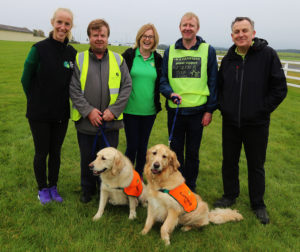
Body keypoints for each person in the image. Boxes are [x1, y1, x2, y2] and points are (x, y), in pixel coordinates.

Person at [214, 17, 287, 224]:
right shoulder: (229, 58)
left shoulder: (267, 55)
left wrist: (261, 110)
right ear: (232, 36)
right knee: (229, 162)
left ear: (253, 33)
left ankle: (258, 203)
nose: (240, 34)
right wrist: (224, 107)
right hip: (230, 122)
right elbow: (219, 87)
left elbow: (280, 88)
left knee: (256, 165)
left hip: (257, 124)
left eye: (244, 30)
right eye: (236, 31)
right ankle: (230, 195)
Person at [70, 19, 132, 203]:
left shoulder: (118, 59)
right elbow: (73, 89)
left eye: (102, 35)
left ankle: (108, 191)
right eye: (95, 35)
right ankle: (87, 190)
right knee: (87, 158)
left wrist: (113, 110)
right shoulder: (79, 59)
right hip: (86, 122)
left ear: (107, 37)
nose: (99, 39)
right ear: (89, 37)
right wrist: (88, 111)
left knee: (108, 162)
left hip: (110, 123)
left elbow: (127, 86)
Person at [21, 8, 77, 204]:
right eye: (59, 22)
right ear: (53, 22)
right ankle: (42, 189)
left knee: (56, 152)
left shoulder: (72, 53)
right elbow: (25, 79)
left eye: (67, 24)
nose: (63, 27)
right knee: (41, 151)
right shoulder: (38, 49)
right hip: (39, 113)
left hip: (61, 112)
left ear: (71, 26)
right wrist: (36, 99)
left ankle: (53, 186)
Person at [160, 12, 218, 192]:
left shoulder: (208, 50)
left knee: (192, 153)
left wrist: (209, 110)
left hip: (197, 111)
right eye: (185, 25)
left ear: (197, 29)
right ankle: (176, 184)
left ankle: (190, 187)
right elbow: (163, 80)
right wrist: (170, 94)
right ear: (180, 27)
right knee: (175, 153)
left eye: (191, 25)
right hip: (175, 111)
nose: (187, 28)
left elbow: (214, 82)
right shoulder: (170, 51)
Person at [122, 24, 162, 178]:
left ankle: (138, 178)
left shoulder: (158, 59)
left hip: (149, 111)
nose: (147, 39)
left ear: (154, 40)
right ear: (139, 38)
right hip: (130, 109)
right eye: (144, 36)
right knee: (132, 146)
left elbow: (163, 81)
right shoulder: (129, 55)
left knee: (143, 147)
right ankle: (126, 177)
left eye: (150, 37)